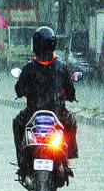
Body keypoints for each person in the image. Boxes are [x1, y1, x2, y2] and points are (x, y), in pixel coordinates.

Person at [13, 26, 78, 165]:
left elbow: (18, 90)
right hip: (58, 114)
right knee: (71, 122)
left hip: (32, 113)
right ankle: (67, 158)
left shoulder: (29, 67)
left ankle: (20, 158)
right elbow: (71, 92)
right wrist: (69, 96)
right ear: (53, 44)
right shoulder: (61, 66)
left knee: (17, 123)